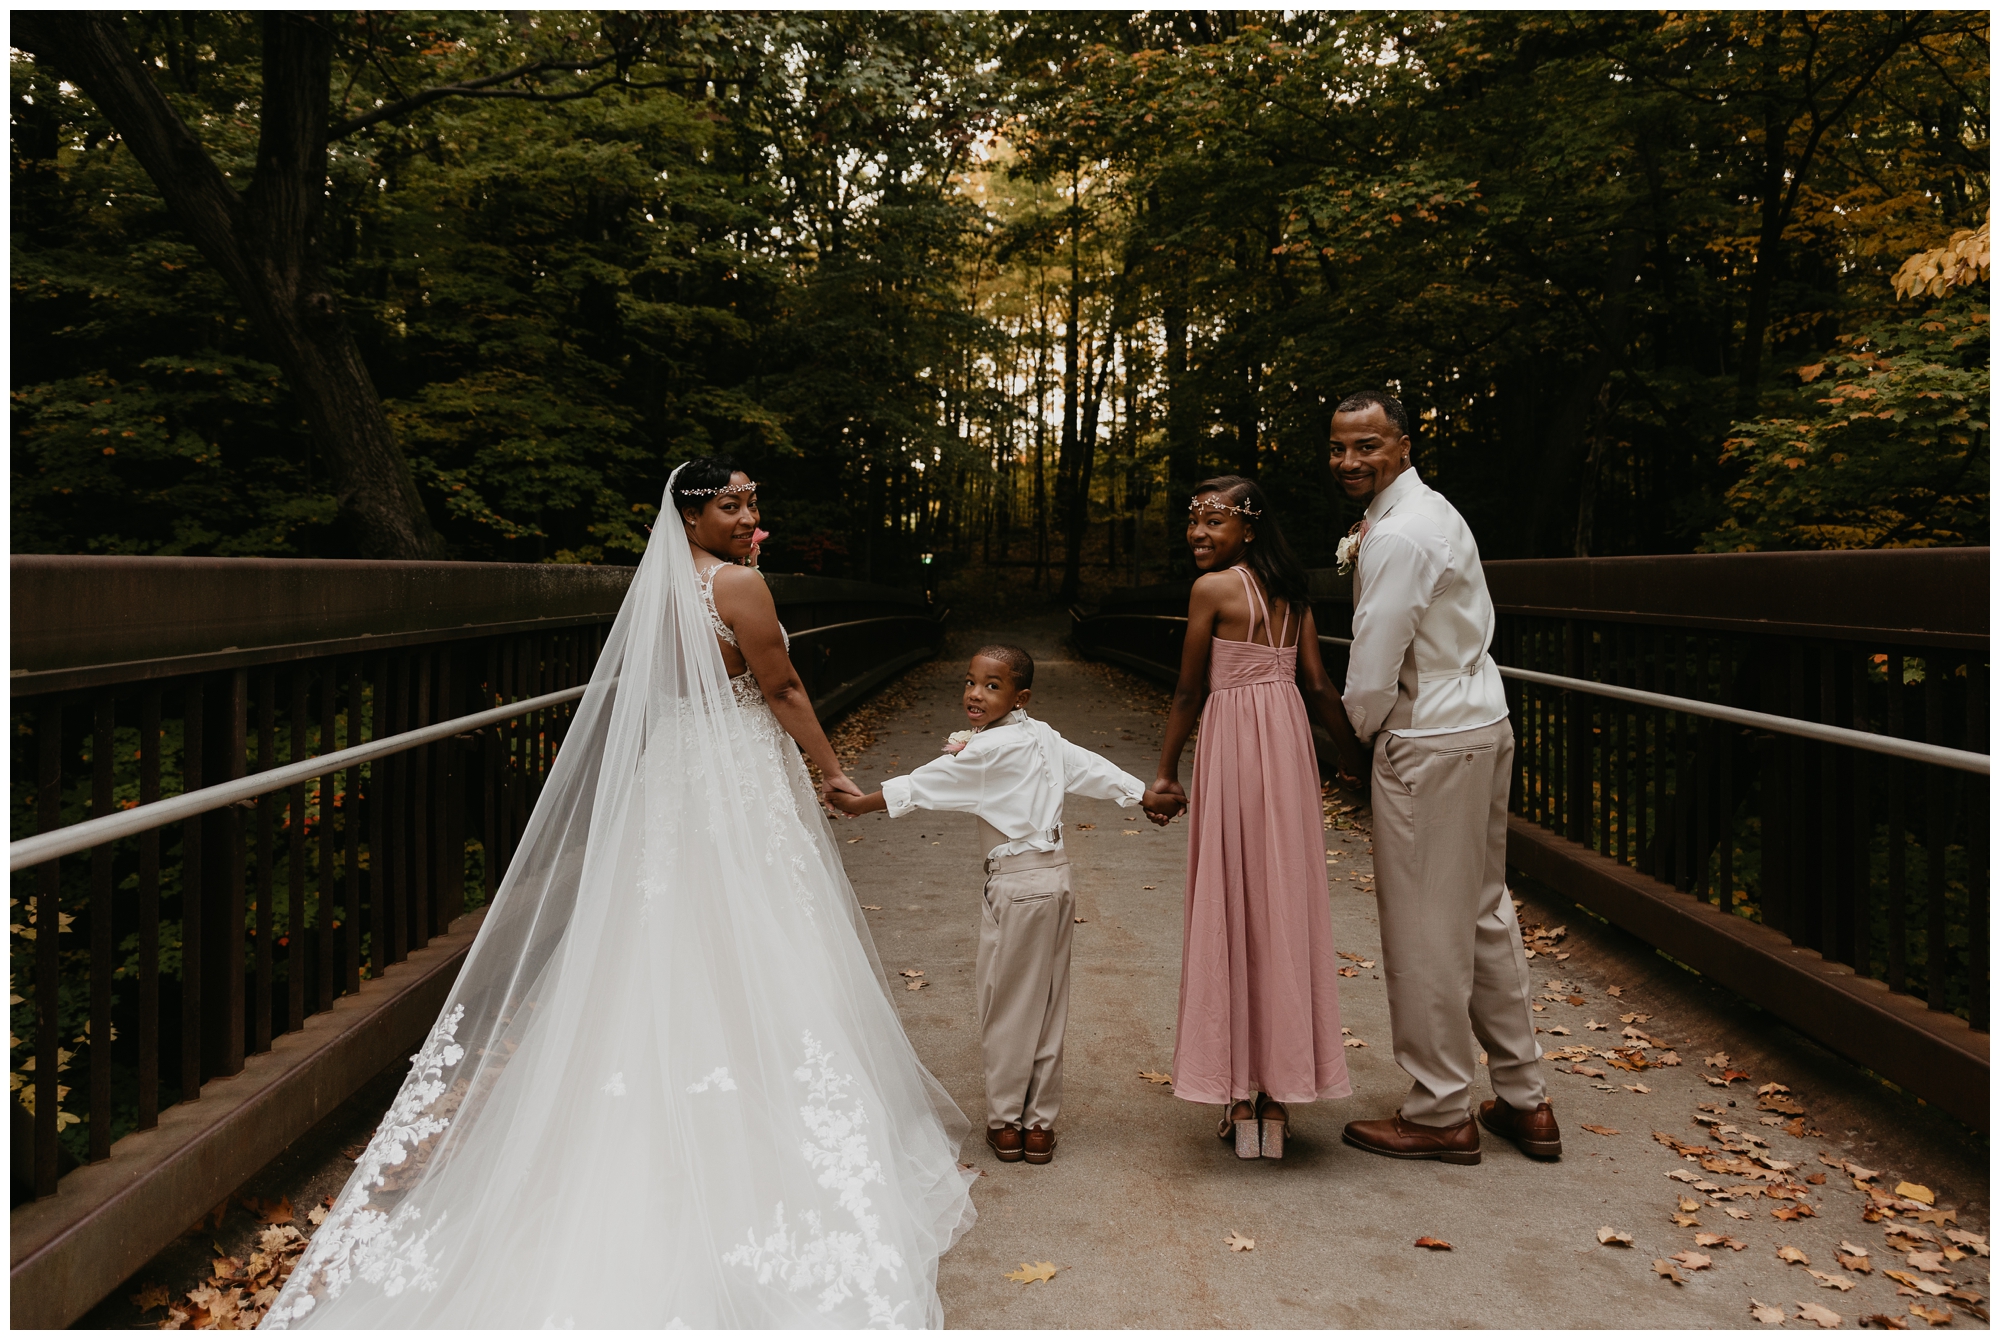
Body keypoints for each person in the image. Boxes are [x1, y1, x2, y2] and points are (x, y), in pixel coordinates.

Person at [265, 458, 977, 1329]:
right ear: (689, 514)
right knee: (754, 925)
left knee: (663, 929)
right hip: (734, 772)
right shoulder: (742, 586)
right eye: (729, 504)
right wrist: (830, 772)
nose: (749, 514)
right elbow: (781, 685)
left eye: (752, 502)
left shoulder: (655, 591)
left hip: (671, 773)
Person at [1329, 391, 1560, 1166]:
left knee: (1425, 926)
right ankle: (1525, 1101)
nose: (1350, 461)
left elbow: (1371, 668)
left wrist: (1360, 738)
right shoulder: (1433, 510)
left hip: (1429, 739)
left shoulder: (1398, 534)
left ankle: (1438, 1113)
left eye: (1367, 445)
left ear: (1402, 442)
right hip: (1480, 724)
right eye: (1339, 448)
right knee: (1482, 911)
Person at [827, 645, 1148, 1167]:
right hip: (1057, 880)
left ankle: (1006, 1123)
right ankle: (1039, 1126)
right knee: (1047, 1004)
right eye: (971, 681)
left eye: (992, 685)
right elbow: (1090, 768)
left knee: (1006, 1008)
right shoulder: (1043, 735)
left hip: (1017, 888)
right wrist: (1142, 795)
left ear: (1018, 696)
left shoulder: (984, 751)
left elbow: (925, 783)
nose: (975, 693)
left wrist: (859, 803)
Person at [1147, 476, 1362, 1160]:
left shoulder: (1211, 592)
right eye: (1194, 522)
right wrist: (1353, 760)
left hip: (1236, 744)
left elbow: (1187, 688)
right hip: (1288, 745)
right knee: (1282, 902)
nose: (1199, 535)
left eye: (1213, 522)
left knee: (1233, 901)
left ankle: (1238, 1093)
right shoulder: (1292, 594)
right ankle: (1277, 1098)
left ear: (1248, 527)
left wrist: (1165, 771)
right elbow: (1320, 685)